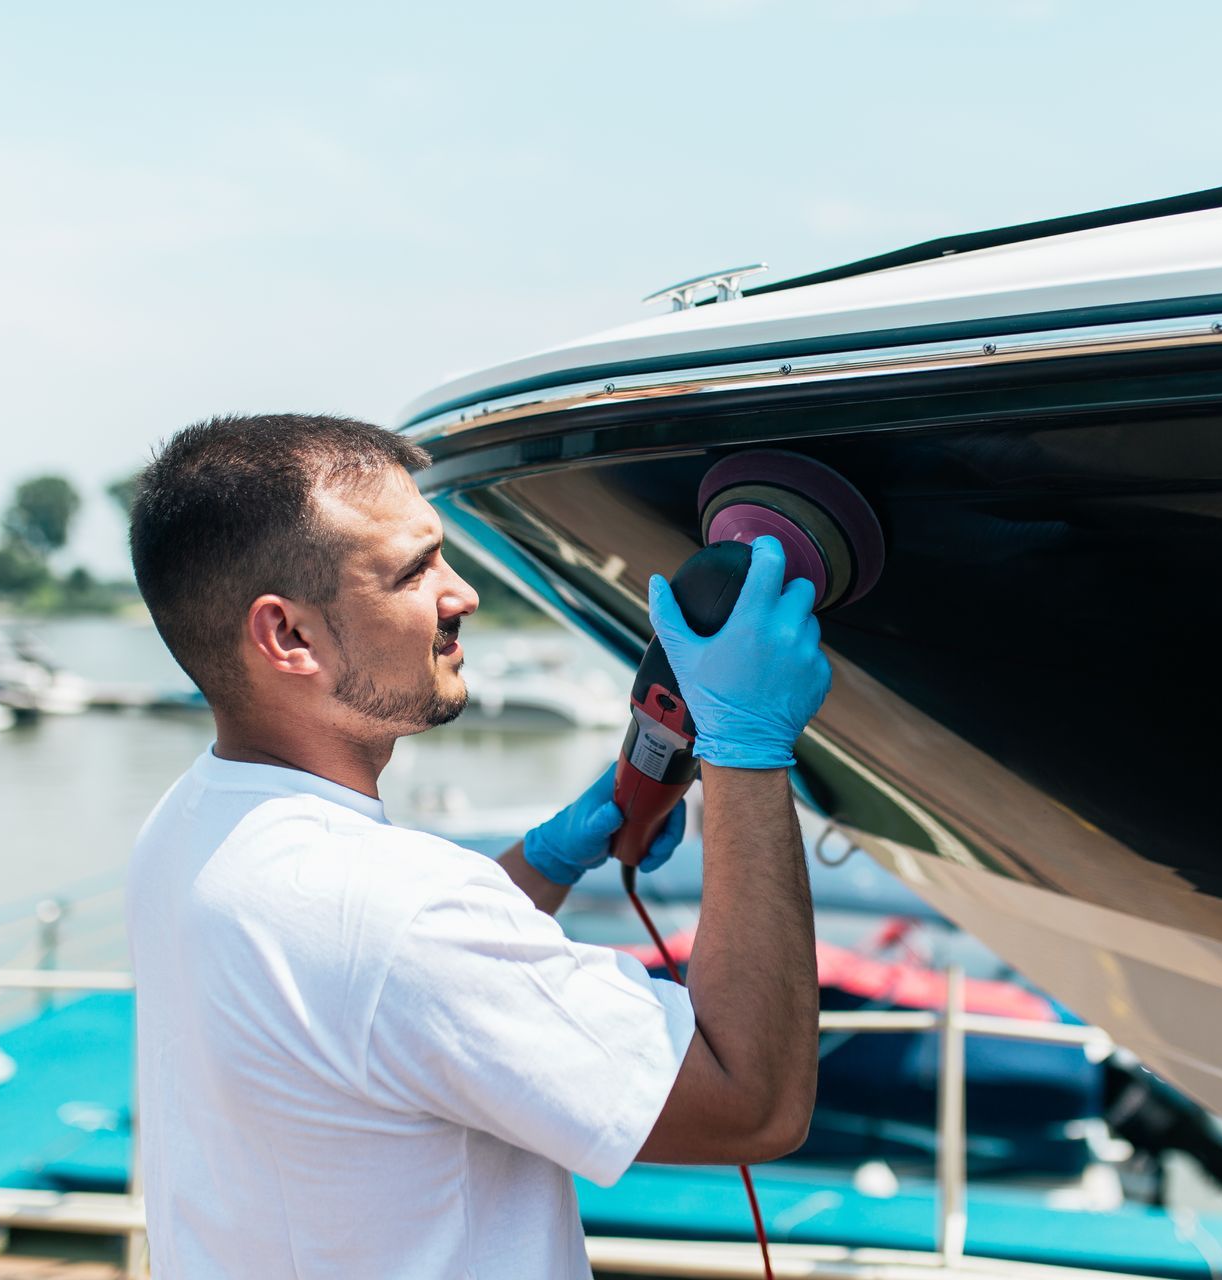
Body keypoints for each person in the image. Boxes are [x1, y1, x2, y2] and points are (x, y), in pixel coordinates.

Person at [123, 413, 829, 1278]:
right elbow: (752, 1105)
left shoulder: (189, 826)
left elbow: (373, 998)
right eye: (414, 571)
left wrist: (545, 861)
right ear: (289, 636)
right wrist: (748, 752)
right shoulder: (396, 912)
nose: (462, 594)